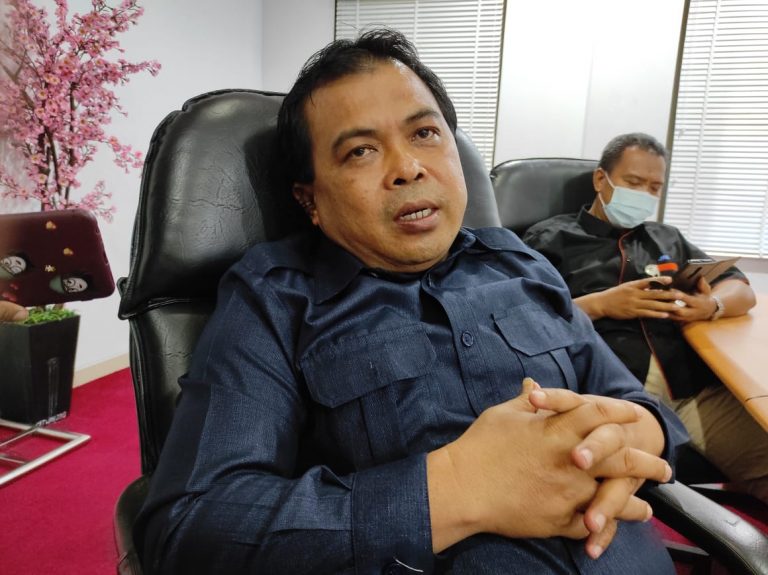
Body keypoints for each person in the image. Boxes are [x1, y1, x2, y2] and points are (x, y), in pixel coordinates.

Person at [136, 31, 687, 574]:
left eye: (424, 133)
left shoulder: (519, 262)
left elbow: (631, 399)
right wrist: (456, 487)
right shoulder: (275, 297)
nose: (408, 167)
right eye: (360, 151)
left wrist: (636, 431)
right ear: (310, 200)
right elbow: (192, 526)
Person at [523, 132, 767, 504]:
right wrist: (601, 305)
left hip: (688, 389)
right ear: (601, 179)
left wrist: (710, 305)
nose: (644, 195)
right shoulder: (550, 238)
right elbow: (520, 317)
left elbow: (740, 288)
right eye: (634, 183)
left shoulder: (666, 239)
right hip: (609, 394)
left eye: (654, 188)